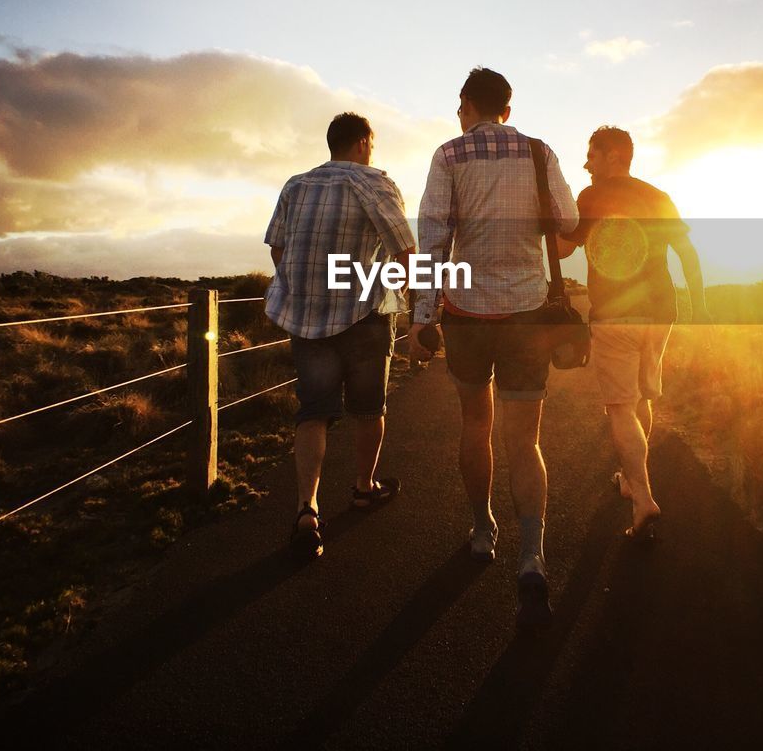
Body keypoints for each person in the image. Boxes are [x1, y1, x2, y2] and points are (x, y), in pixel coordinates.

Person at [409, 67, 578, 631]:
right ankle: (532, 554)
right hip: (528, 313)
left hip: (467, 315)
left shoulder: (449, 155)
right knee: (525, 440)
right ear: (506, 108)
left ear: (467, 105)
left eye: (459, 108)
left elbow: (432, 236)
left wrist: (420, 316)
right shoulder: (539, 152)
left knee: (474, 424)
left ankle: (483, 529)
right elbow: (570, 222)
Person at [264, 112, 416, 562]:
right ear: (363, 143)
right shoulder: (375, 183)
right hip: (365, 316)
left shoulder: (296, 185)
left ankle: (306, 509)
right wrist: (400, 293)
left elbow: (277, 246)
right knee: (369, 409)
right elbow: (405, 251)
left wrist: (303, 289)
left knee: (312, 412)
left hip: (307, 317)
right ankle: (364, 487)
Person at [558, 126, 710, 541]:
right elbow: (687, 252)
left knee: (620, 407)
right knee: (641, 396)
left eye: (592, 155)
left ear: (613, 156)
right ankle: (630, 477)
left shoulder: (592, 196)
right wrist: (699, 303)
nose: (586, 164)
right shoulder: (658, 196)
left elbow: (561, 249)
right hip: (662, 312)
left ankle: (642, 498)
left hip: (615, 317)